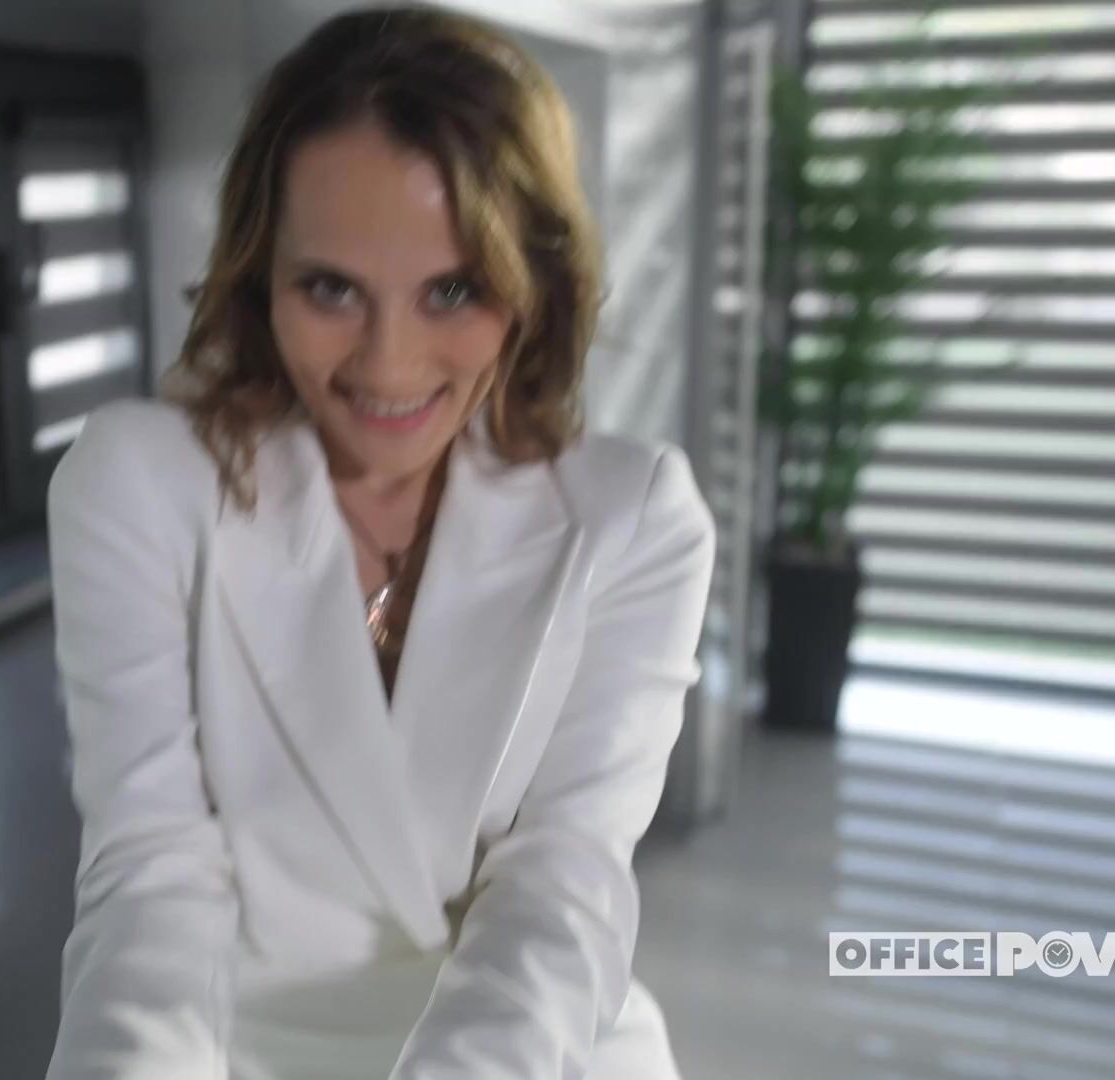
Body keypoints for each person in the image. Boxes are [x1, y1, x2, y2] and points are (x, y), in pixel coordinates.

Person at [43, 8, 714, 1078]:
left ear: (531, 283)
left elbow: (562, 880)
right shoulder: (138, 485)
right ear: (260, 276)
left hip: (522, 1043)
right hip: (232, 1044)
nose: (388, 365)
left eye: (452, 289)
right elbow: (150, 874)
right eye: (331, 289)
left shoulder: (635, 519)